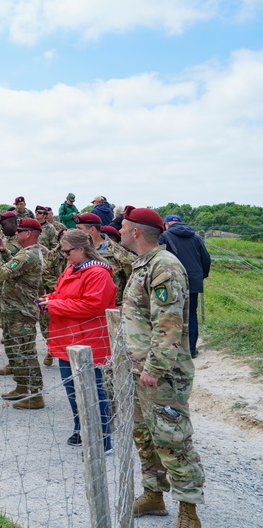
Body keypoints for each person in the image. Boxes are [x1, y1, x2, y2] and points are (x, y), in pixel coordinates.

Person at [120, 207, 205, 527]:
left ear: (137, 232)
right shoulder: (142, 264)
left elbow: (168, 326)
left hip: (162, 374)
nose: (121, 232)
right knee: (144, 436)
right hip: (139, 369)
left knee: (173, 439)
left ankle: (188, 509)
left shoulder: (164, 266)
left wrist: (153, 370)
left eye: (125, 227)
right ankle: (154, 494)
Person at [38, 229, 115, 451]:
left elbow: (92, 306)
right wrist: (49, 299)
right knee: (73, 390)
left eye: (67, 251)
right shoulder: (73, 268)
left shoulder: (98, 273)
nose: (64, 256)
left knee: (92, 390)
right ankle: (81, 429)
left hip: (87, 341)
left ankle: (102, 439)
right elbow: (64, 296)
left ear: (81, 249)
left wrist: (53, 305)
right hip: (68, 339)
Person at [0, 217, 47, 408]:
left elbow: (3, 273)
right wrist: (4, 253)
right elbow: (13, 270)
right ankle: (22, 387)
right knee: (16, 351)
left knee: (26, 352)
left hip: (21, 311)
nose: (16, 233)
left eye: (20, 231)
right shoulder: (26, 253)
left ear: (28, 234)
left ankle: (36, 395)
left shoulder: (28, 255)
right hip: (15, 310)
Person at [159, 215, 211, 358]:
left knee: (172, 314)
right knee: (192, 314)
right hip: (193, 280)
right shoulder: (195, 237)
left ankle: (174, 350)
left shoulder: (164, 237)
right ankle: (191, 350)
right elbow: (206, 258)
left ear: (167, 224)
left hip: (172, 280)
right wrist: (202, 275)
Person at [73, 212, 134, 308]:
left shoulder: (116, 252)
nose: (76, 232)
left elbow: (133, 278)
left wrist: (125, 305)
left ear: (92, 230)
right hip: (82, 308)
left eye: (79, 229)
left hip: (111, 309)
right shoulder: (76, 251)